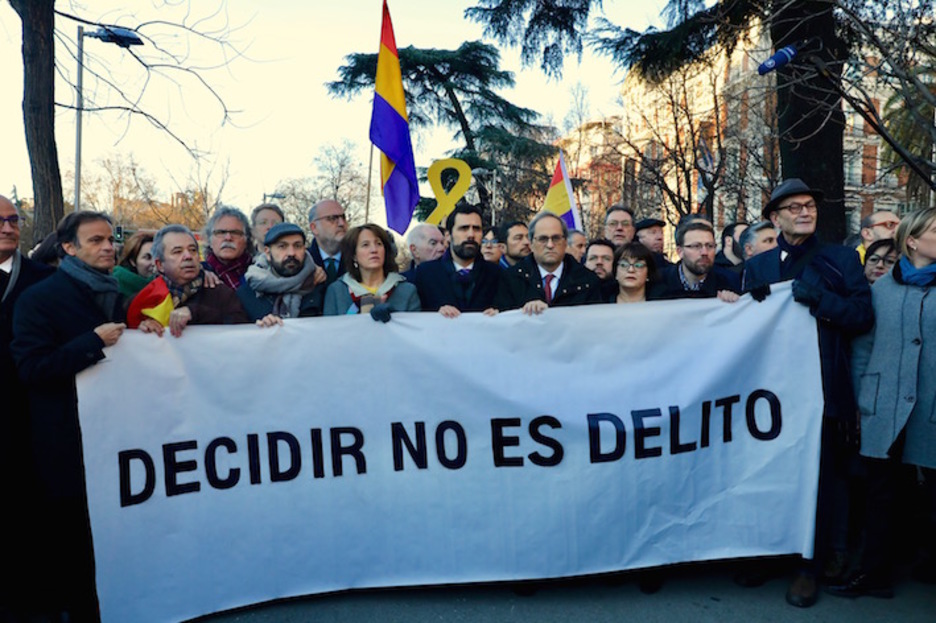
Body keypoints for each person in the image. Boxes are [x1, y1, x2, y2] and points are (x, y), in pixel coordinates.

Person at [742, 178, 873, 608]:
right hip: (769, 394)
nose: (804, 212)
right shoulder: (758, 267)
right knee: (769, 472)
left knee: (819, 478)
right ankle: (769, 552)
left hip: (821, 390)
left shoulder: (839, 260)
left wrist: (820, 301)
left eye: (810, 205)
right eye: (794, 207)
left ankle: (807, 565)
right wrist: (742, 304)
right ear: (775, 218)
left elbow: (861, 316)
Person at [11, 211, 127, 622]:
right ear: (69, 248)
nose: (108, 247)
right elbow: (31, 369)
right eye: (95, 241)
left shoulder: (119, 292)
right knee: (76, 545)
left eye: (110, 240)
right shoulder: (40, 298)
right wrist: (89, 343)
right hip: (66, 445)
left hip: (118, 439)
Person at [828, 207, 936, 598]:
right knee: (882, 495)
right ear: (913, 241)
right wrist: (860, 401)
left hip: (930, 405)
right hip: (884, 405)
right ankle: (874, 574)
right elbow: (863, 350)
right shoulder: (881, 289)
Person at [0, 195, 54, 619]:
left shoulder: (41, 280)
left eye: (14, 219)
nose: (8, 227)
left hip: (28, 413)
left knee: (27, 511)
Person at [130, 224, 251, 336]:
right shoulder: (143, 299)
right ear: (160, 265)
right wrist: (143, 329)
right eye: (177, 252)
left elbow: (241, 333)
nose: (188, 256)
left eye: (193, 250)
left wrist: (196, 313)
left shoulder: (221, 294)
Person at [496, 211, 601, 314]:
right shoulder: (510, 279)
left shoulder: (588, 281)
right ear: (531, 243)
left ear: (565, 243)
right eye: (543, 239)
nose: (550, 245)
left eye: (556, 238)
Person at [414, 205, 500, 317]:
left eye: (476, 229)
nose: (471, 235)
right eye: (464, 228)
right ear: (448, 235)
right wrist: (435, 315)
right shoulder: (425, 274)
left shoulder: (498, 275)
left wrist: (500, 314)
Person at [324, 224, 420, 320]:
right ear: (354, 255)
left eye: (378, 244)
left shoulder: (407, 291)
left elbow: (413, 331)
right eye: (365, 245)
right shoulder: (337, 291)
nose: (374, 250)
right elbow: (330, 331)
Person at [237, 223, 325, 321]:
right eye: (282, 246)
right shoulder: (246, 295)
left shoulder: (319, 286)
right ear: (268, 253)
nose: (291, 253)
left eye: (297, 246)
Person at [650, 220, 740, 300]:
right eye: (696, 246)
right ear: (680, 251)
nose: (704, 252)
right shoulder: (657, 282)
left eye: (710, 246)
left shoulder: (730, 282)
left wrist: (733, 300)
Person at [203, 206, 254, 289]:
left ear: (246, 240)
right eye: (221, 232)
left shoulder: (261, 273)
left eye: (235, 233)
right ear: (209, 240)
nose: (228, 238)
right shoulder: (198, 275)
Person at [308, 199, 349, 286]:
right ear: (314, 227)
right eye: (332, 218)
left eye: (343, 217)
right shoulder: (303, 263)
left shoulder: (358, 259)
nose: (342, 223)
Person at [112, 230, 155, 299]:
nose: (154, 263)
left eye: (157, 257)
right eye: (147, 258)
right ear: (132, 261)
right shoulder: (115, 287)